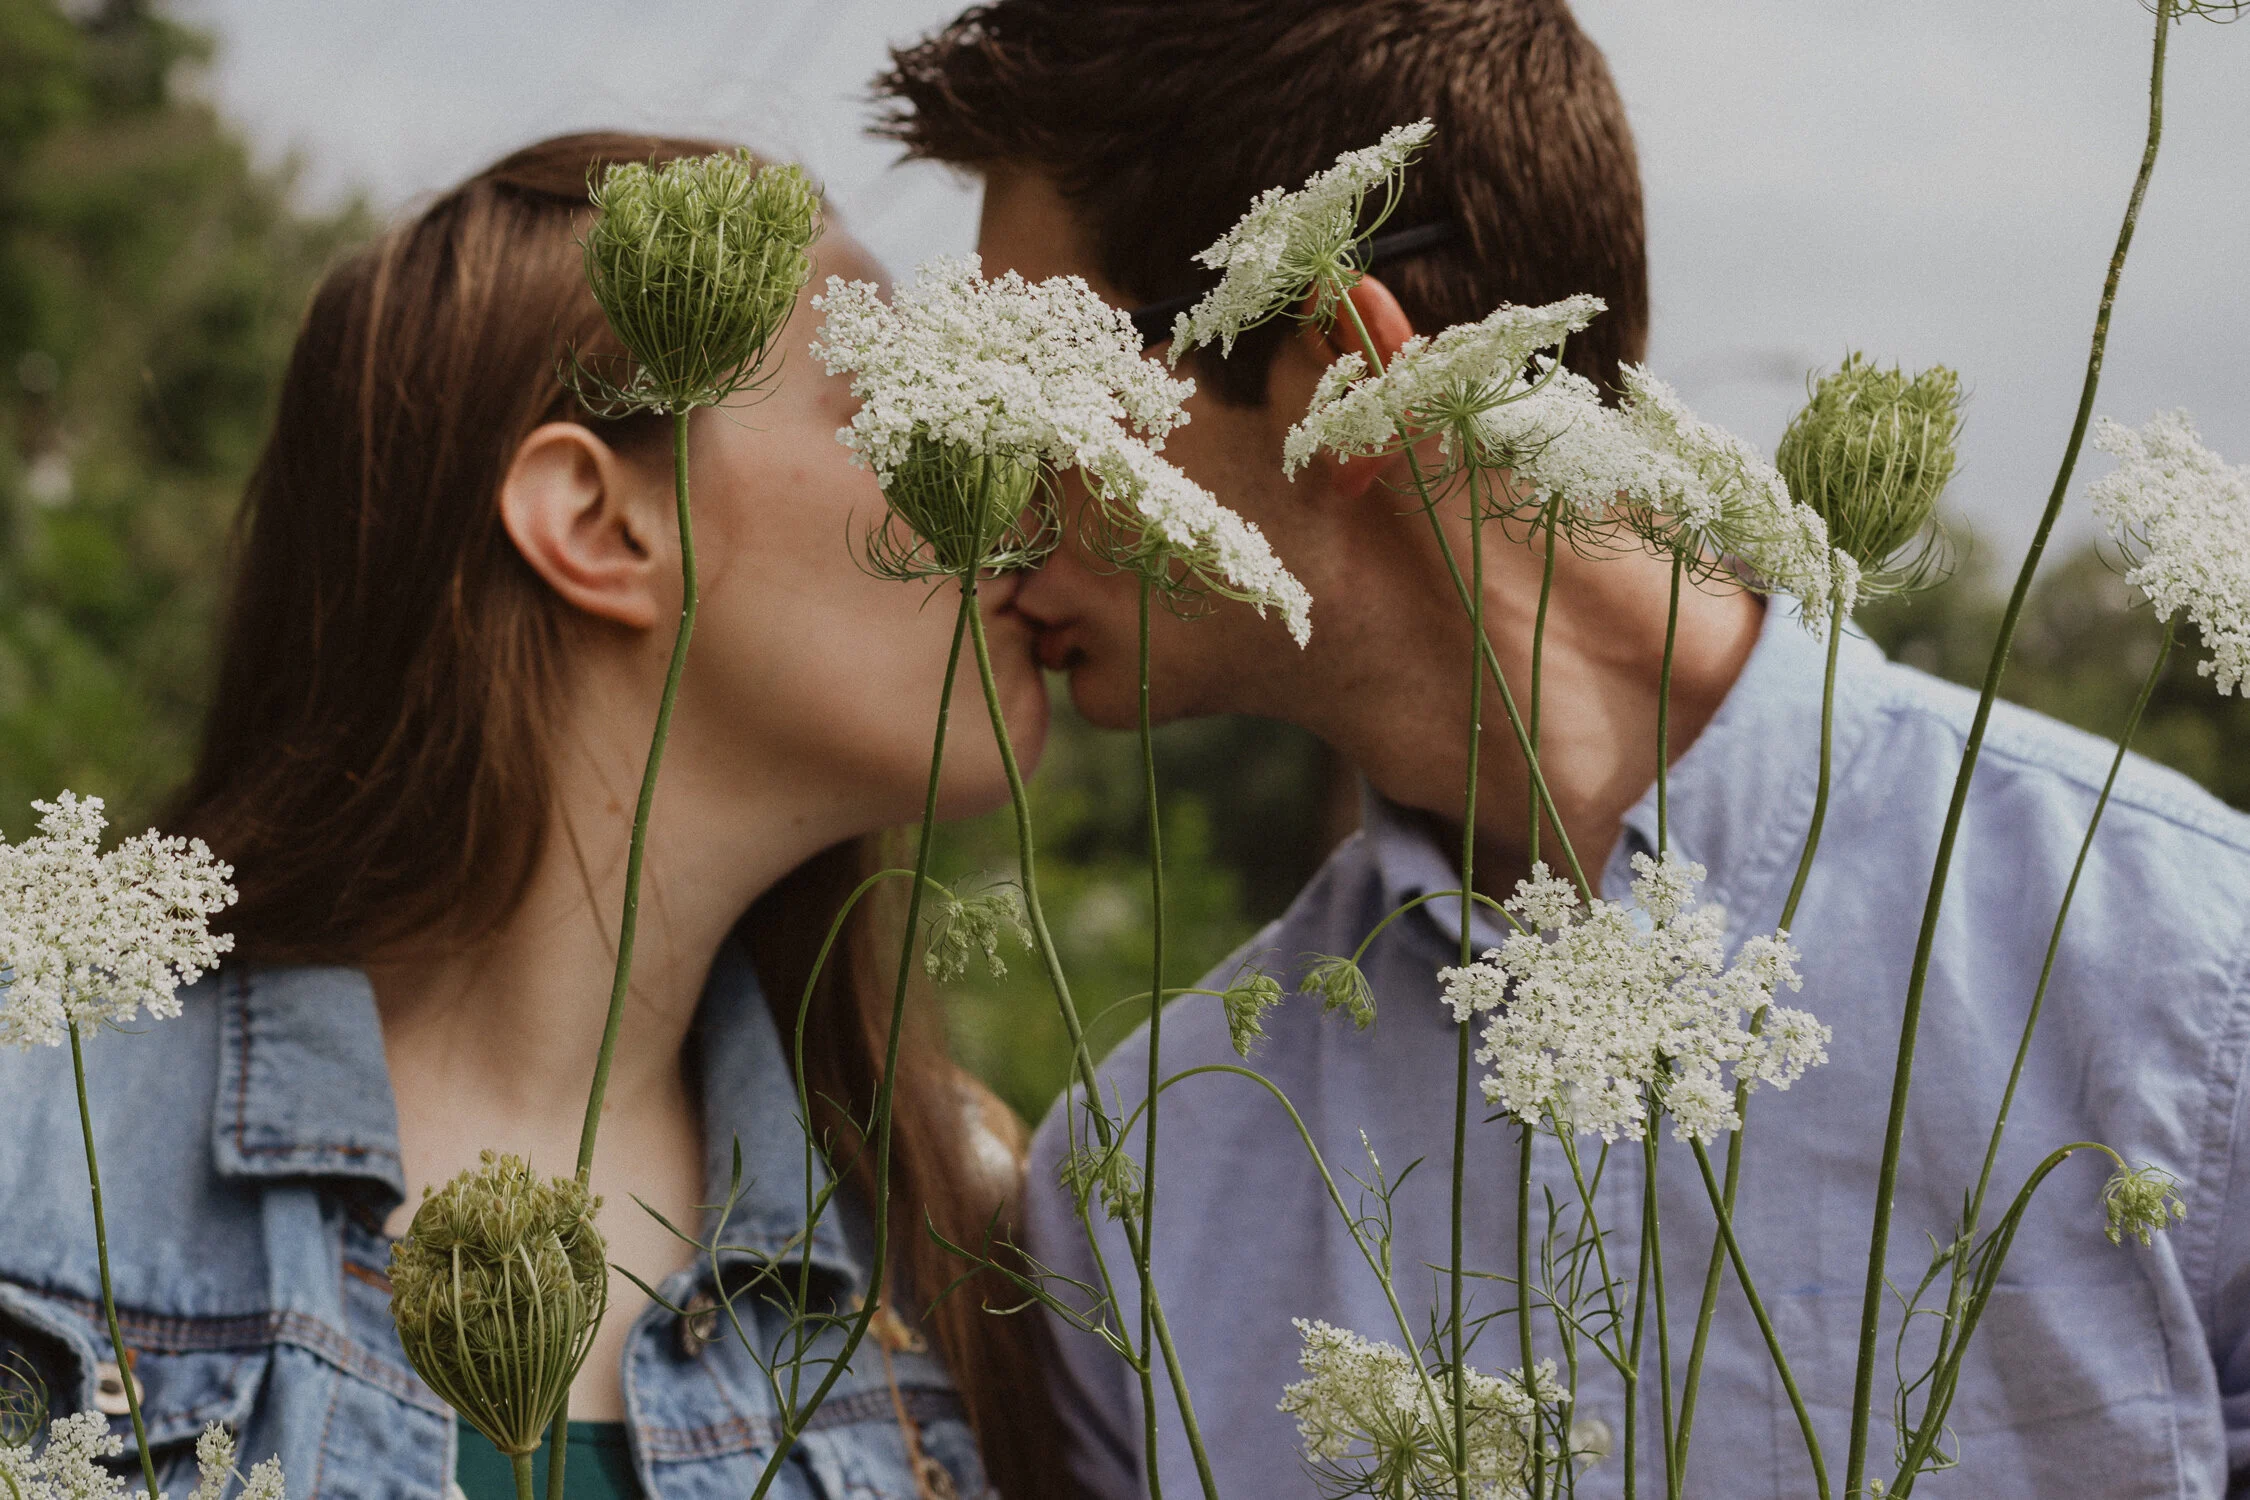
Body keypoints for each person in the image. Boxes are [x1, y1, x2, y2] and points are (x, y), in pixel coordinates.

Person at [876, 4, 2250, 1498]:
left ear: (1337, 374)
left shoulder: (2183, 979)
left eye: (1033, 390)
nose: (983, 505)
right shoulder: (1139, 1183)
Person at [0, 133, 1064, 1500]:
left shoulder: (969, 1216)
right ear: (597, 521)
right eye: (884, 397)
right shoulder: (35, 1118)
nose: (1020, 480)